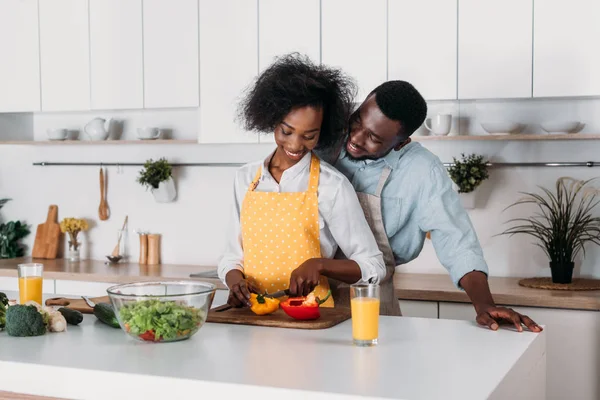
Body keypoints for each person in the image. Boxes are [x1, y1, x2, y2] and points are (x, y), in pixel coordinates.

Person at [314, 80, 541, 331]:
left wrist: (485, 305)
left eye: (373, 138)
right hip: (310, 296)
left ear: (400, 143)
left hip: (372, 307)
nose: (355, 138)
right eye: (357, 121)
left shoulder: (423, 171)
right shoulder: (324, 139)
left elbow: (457, 242)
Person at [217, 54, 386, 309]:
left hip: (310, 319)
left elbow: (374, 265)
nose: (295, 145)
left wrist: (320, 265)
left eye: (309, 135)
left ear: (323, 130)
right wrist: (234, 281)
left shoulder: (332, 185)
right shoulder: (244, 179)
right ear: (271, 119)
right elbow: (231, 257)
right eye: (286, 131)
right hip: (252, 317)